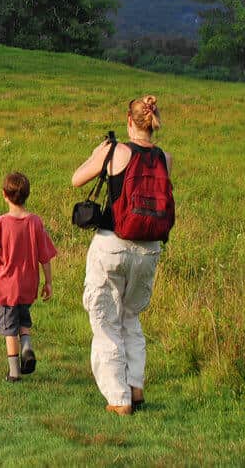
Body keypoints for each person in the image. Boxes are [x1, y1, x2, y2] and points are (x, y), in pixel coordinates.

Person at [71, 95, 172, 416]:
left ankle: (118, 398)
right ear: (153, 122)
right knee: (131, 317)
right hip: (149, 249)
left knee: (105, 321)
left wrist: (99, 152)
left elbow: (77, 179)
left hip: (112, 244)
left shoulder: (116, 152)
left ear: (129, 120)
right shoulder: (164, 158)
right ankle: (136, 386)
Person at [0, 172, 57, 382]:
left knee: (9, 329)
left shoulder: (1, 223)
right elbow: (45, 256)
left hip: (6, 287)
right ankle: (27, 346)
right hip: (28, 285)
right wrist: (48, 282)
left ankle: (14, 372)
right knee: (23, 320)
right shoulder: (35, 222)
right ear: (27, 195)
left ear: (4, 194)